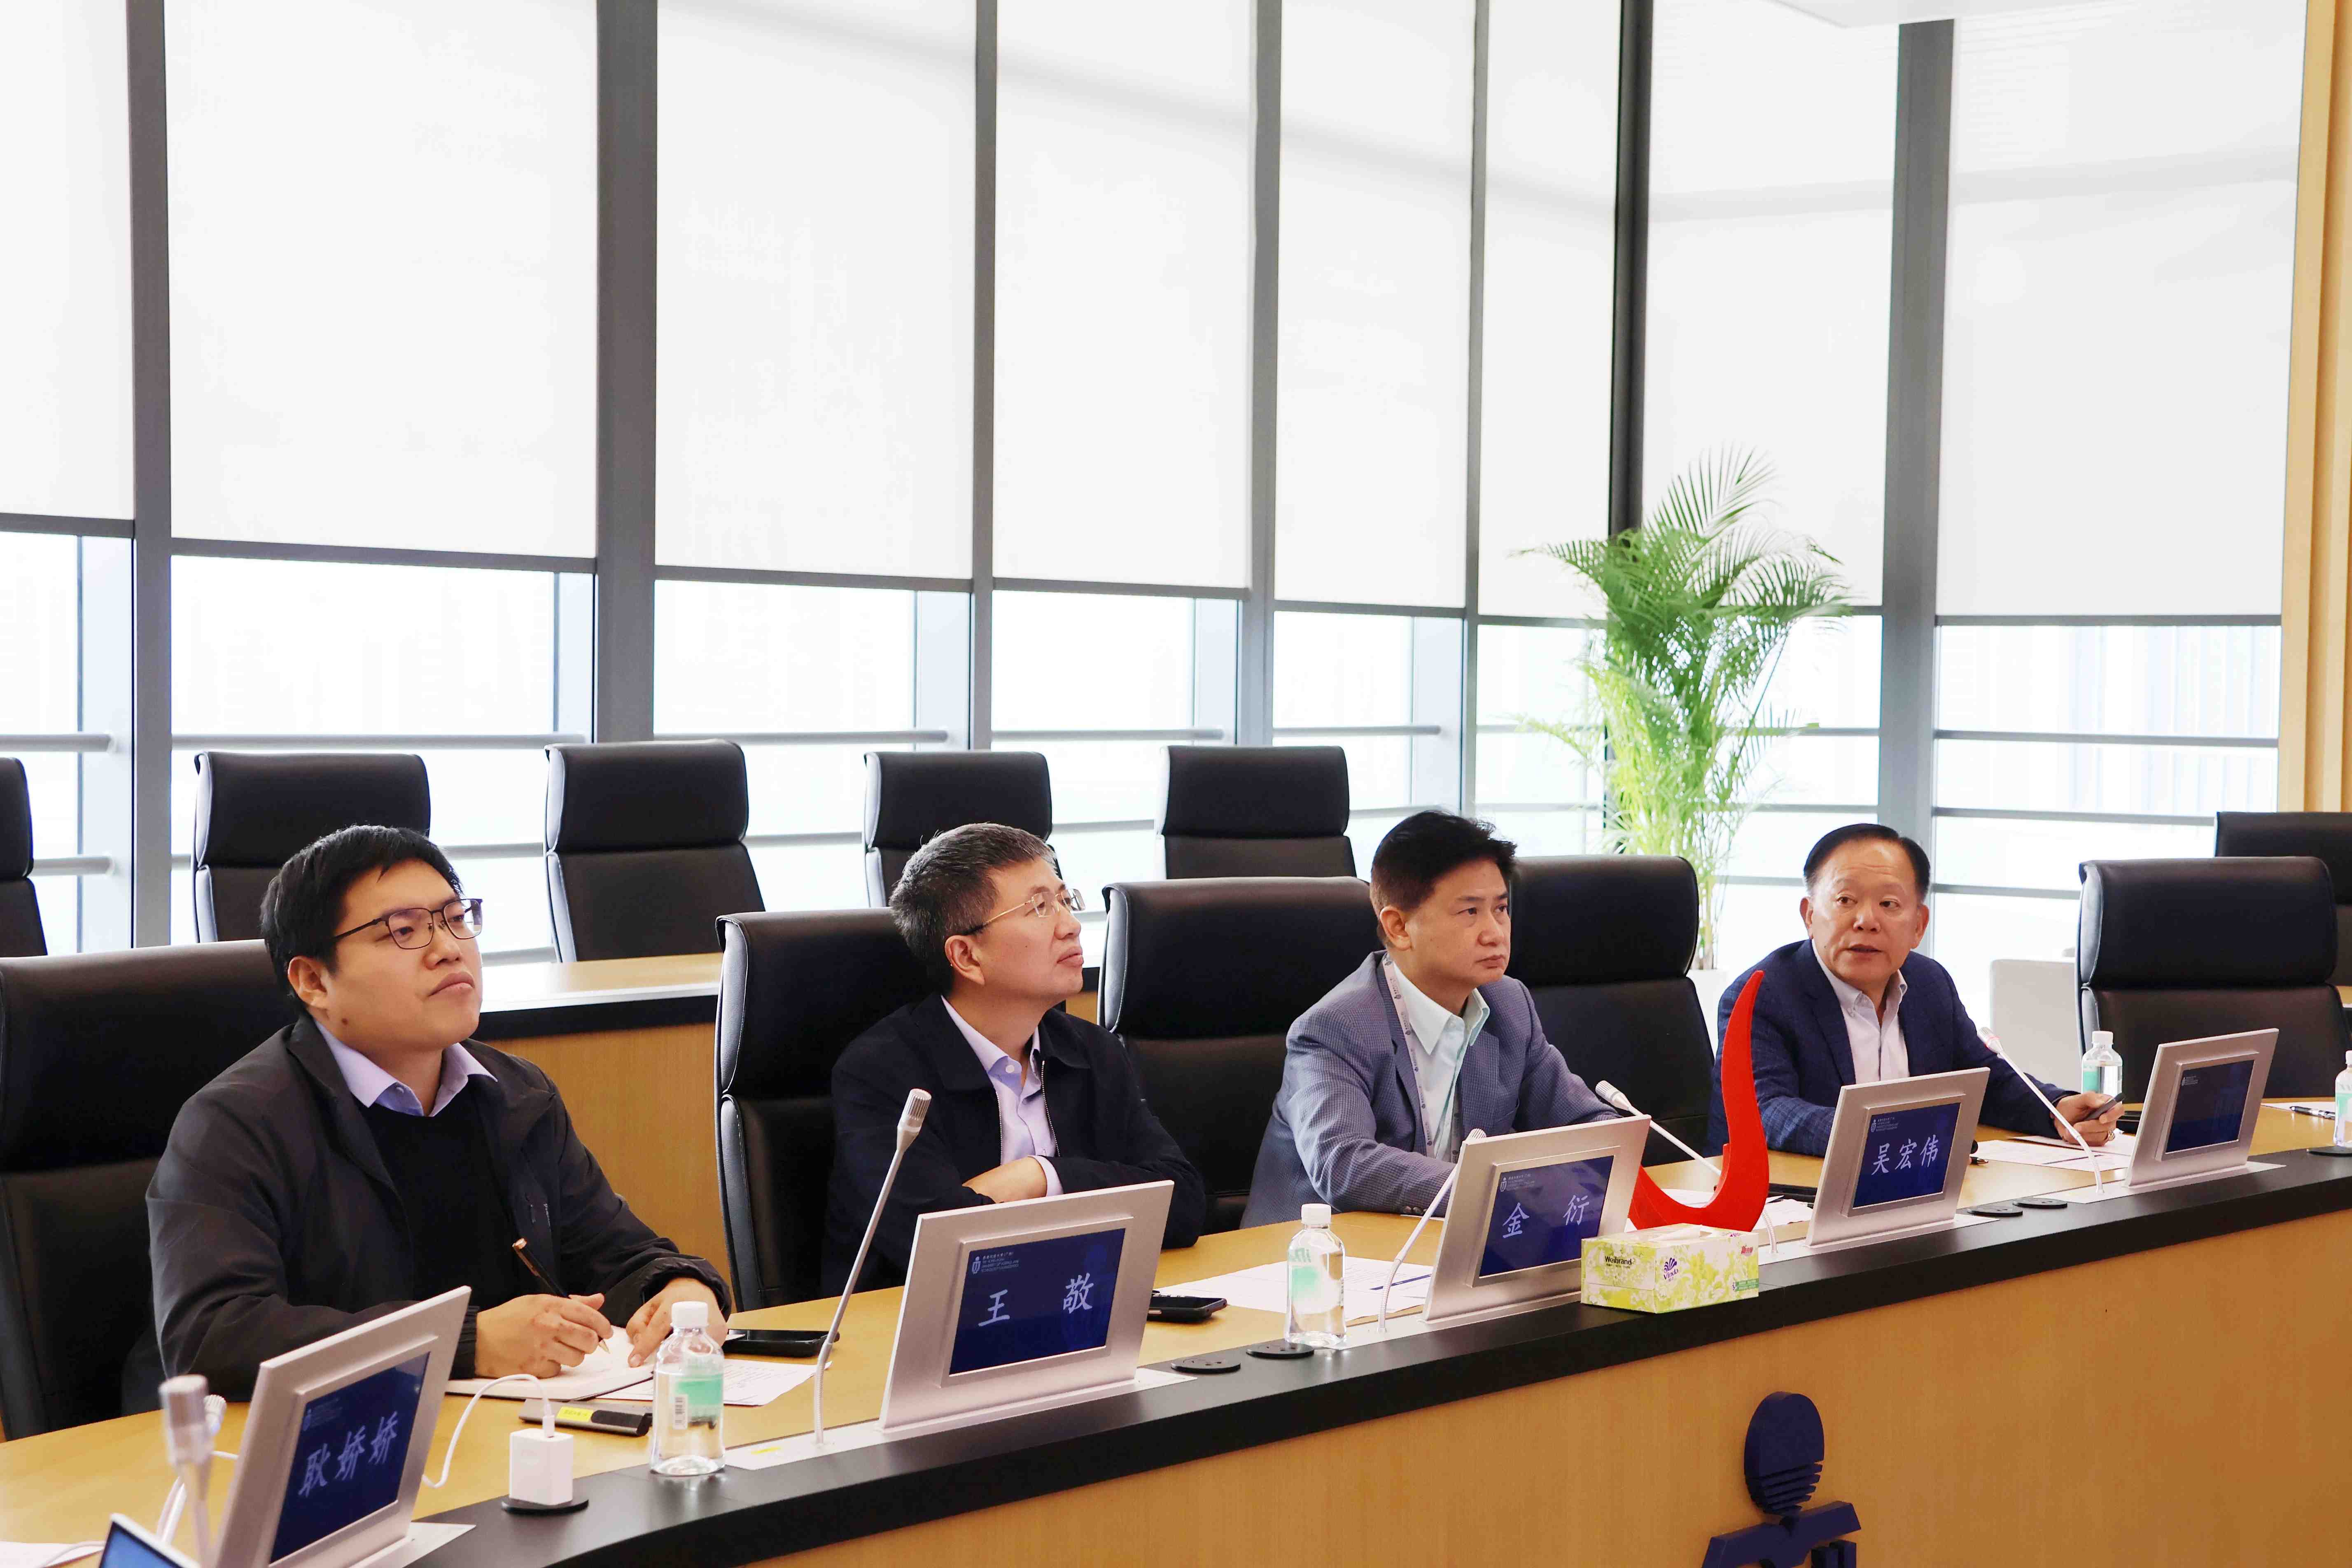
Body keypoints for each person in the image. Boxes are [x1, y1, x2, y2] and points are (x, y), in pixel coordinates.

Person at [149, 826, 729, 1398]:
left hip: (503, 1430)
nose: (449, 948)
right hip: (337, 1442)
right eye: (403, 931)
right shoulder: (235, 1124)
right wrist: (463, 1343)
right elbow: (213, 1337)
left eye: (455, 919)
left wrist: (681, 1288)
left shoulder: (517, 1095)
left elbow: (619, 1255)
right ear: (313, 980)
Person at [825, 823, 1206, 1292]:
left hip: (1069, 1301)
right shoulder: (881, 1072)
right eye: (1040, 907)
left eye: (1065, 900)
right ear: (967, 956)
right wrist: (1097, 1198)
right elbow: (935, 1241)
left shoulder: (1091, 1051)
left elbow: (1183, 1201)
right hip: (907, 1322)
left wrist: (1039, 1176)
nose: (1070, 925)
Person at [1242, 811, 1615, 1227]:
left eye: (1501, 908)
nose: (1495, 933)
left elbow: (1589, 1123)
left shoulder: (1509, 1006)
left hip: (1443, 1244)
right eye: (1469, 912)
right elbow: (1344, 1163)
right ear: (1399, 927)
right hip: (1314, 1255)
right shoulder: (1335, 1028)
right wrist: (1497, 1188)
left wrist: (1602, 1156)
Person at [1707, 822, 2124, 1157]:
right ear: (1809, 915)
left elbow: (1985, 1081)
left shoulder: (1929, 984)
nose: (1866, 921)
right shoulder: (1763, 995)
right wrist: (1882, 1134)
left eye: (1889, 904)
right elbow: (1766, 1110)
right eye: (1845, 900)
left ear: (1919, 926)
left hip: (1911, 1185)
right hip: (1789, 1204)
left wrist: (2056, 1109)